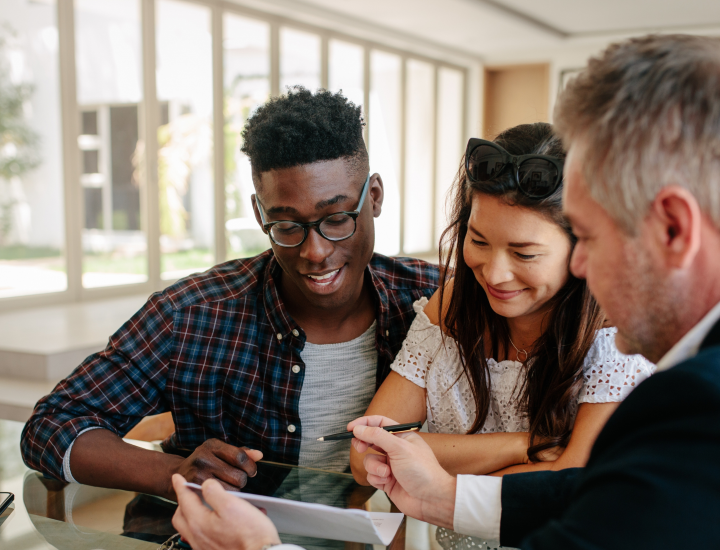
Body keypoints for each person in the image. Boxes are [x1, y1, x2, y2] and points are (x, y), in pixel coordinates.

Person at [169, 33, 720, 549]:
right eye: (479, 241)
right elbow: (575, 492)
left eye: (590, 236)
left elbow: (585, 499)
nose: (579, 263)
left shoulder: (694, 405)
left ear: (674, 227)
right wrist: (446, 491)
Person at [20, 87, 439, 500]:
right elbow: (51, 426)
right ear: (260, 215)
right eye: (287, 225)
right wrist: (173, 473)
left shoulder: (435, 302)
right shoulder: (193, 315)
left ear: (376, 197)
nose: (316, 251)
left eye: (336, 218)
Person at [350, 123, 654, 500]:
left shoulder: (616, 334)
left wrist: (432, 473)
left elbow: (570, 483)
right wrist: (524, 445)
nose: (494, 274)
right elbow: (367, 458)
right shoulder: (450, 308)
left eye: (524, 253)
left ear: (584, 247)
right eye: (477, 240)